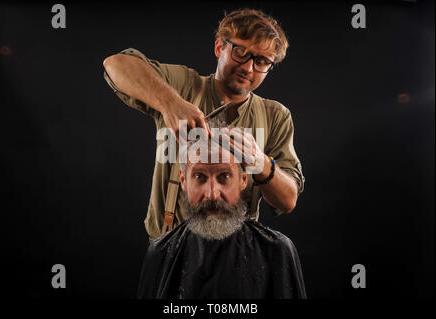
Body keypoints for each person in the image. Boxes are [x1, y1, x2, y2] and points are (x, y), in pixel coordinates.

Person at [103, 8, 305, 239]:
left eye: (261, 61)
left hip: (240, 255)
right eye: (240, 52)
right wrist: (170, 103)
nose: (248, 68)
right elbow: (116, 64)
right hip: (170, 249)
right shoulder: (183, 87)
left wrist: (260, 162)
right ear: (220, 47)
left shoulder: (276, 116)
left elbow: (288, 200)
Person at [137, 137, 307, 299]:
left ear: (243, 180)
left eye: (224, 176)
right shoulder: (161, 253)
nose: (212, 194)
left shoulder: (277, 251)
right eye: (200, 177)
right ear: (183, 181)